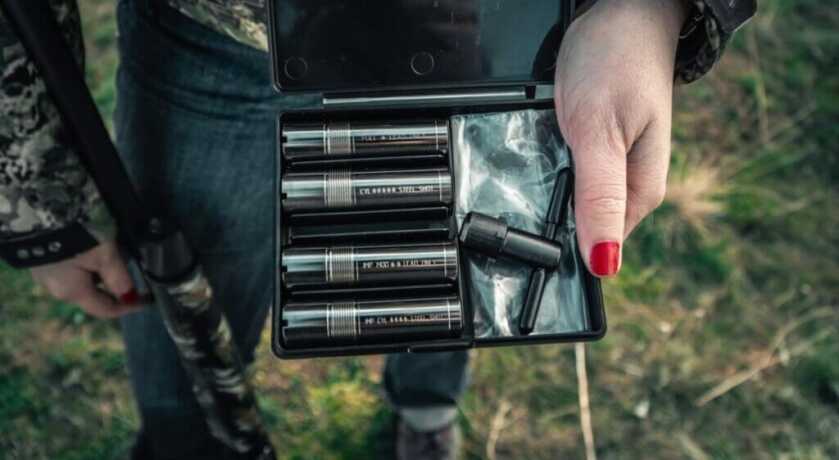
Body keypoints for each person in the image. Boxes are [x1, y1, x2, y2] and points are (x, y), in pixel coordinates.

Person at [0, 0, 756, 459]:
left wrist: (650, 6)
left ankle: (426, 409)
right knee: (184, 320)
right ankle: (186, 449)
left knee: (460, 262)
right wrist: (33, 192)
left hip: (493, 26)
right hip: (217, 37)